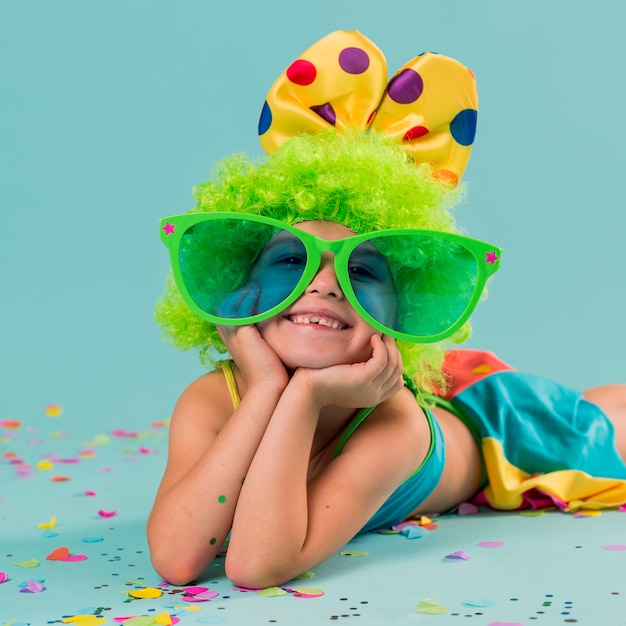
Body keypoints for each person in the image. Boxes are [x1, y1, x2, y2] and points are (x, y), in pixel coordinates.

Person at [146, 31, 626, 589]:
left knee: (605, 421)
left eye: (362, 270)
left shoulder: (395, 424)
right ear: (240, 288)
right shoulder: (212, 399)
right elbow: (177, 559)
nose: (324, 285)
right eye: (290, 260)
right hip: (420, 383)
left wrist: (302, 394)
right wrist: (264, 391)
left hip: (492, 423)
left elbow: (257, 566)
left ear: (404, 308)